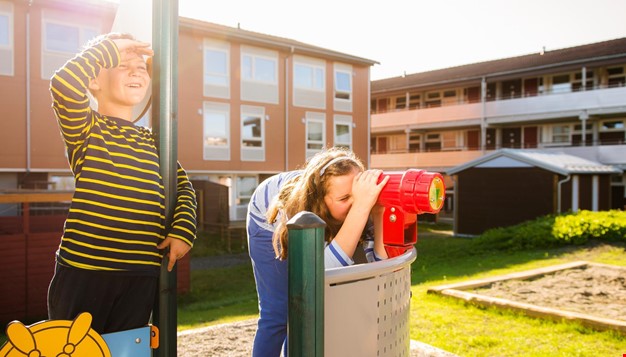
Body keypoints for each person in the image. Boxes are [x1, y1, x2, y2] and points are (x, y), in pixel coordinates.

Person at [47, 33, 197, 334]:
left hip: (140, 271)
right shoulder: (87, 128)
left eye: (141, 67)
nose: (135, 71)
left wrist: (182, 231)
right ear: (94, 81)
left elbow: (184, 189)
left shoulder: (156, 141)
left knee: (127, 349)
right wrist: (109, 49)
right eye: (122, 64)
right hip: (85, 270)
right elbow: (63, 84)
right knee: (76, 350)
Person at [246, 147, 390, 356]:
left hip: (321, 216)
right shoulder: (303, 208)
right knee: (278, 312)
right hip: (268, 221)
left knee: (315, 311)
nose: (355, 203)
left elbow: (379, 266)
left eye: (357, 194)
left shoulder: (362, 200)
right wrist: (360, 208)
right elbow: (318, 274)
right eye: (344, 199)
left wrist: (377, 213)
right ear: (320, 200)